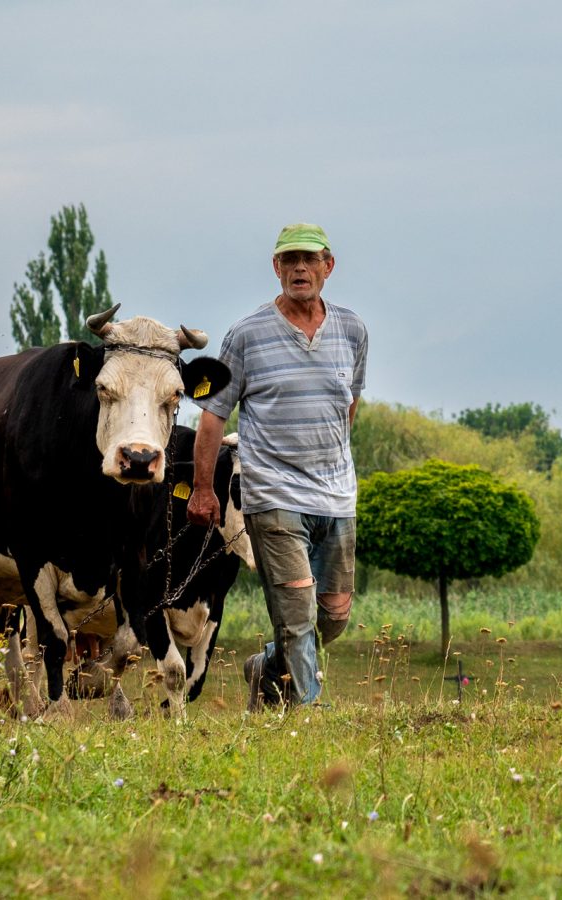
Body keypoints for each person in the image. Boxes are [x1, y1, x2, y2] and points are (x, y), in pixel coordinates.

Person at [186, 222, 367, 709]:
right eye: (289, 261)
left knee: (333, 616)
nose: (299, 269)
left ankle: (266, 667)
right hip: (273, 494)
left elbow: (348, 404)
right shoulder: (246, 335)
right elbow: (212, 419)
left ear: (329, 267)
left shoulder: (352, 330)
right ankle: (306, 711)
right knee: (296, 610)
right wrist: (203, 489)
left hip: (336, 494)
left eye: (309, 260)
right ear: (276, 268)